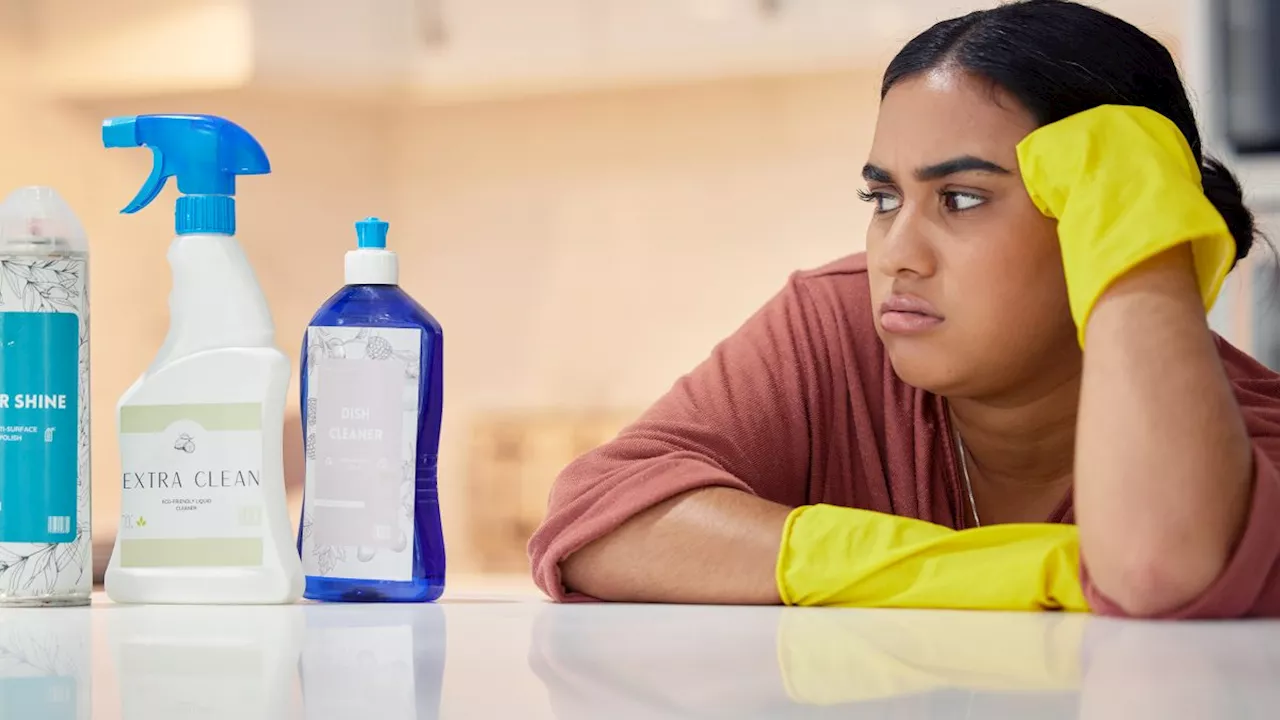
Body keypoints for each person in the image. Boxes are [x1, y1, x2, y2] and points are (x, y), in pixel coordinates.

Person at [529, 0, 1280, 619]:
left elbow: (1153, 564)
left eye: (960, 199)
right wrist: (1006, 573)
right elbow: (599, 516)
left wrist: (1145, 232)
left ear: (1095, 213)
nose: (898, 252)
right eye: (883, 198)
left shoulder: (1247, 428)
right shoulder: (837, 324)